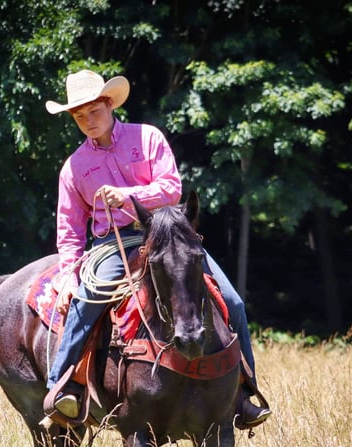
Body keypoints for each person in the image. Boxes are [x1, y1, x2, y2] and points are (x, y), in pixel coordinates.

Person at [44, 69, 271, 428]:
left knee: (233, 301)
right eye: (79, 116)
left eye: (94, 111)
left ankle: (244, 392)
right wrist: (69, 275)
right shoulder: (73, 168)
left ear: (109, 104)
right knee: (85, 303)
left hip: (166, 235)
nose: (88, 121)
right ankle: (61, 387)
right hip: (111, 246)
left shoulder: (147, 138)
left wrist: (128, 196)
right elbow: (70, 230)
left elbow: (172, 188)